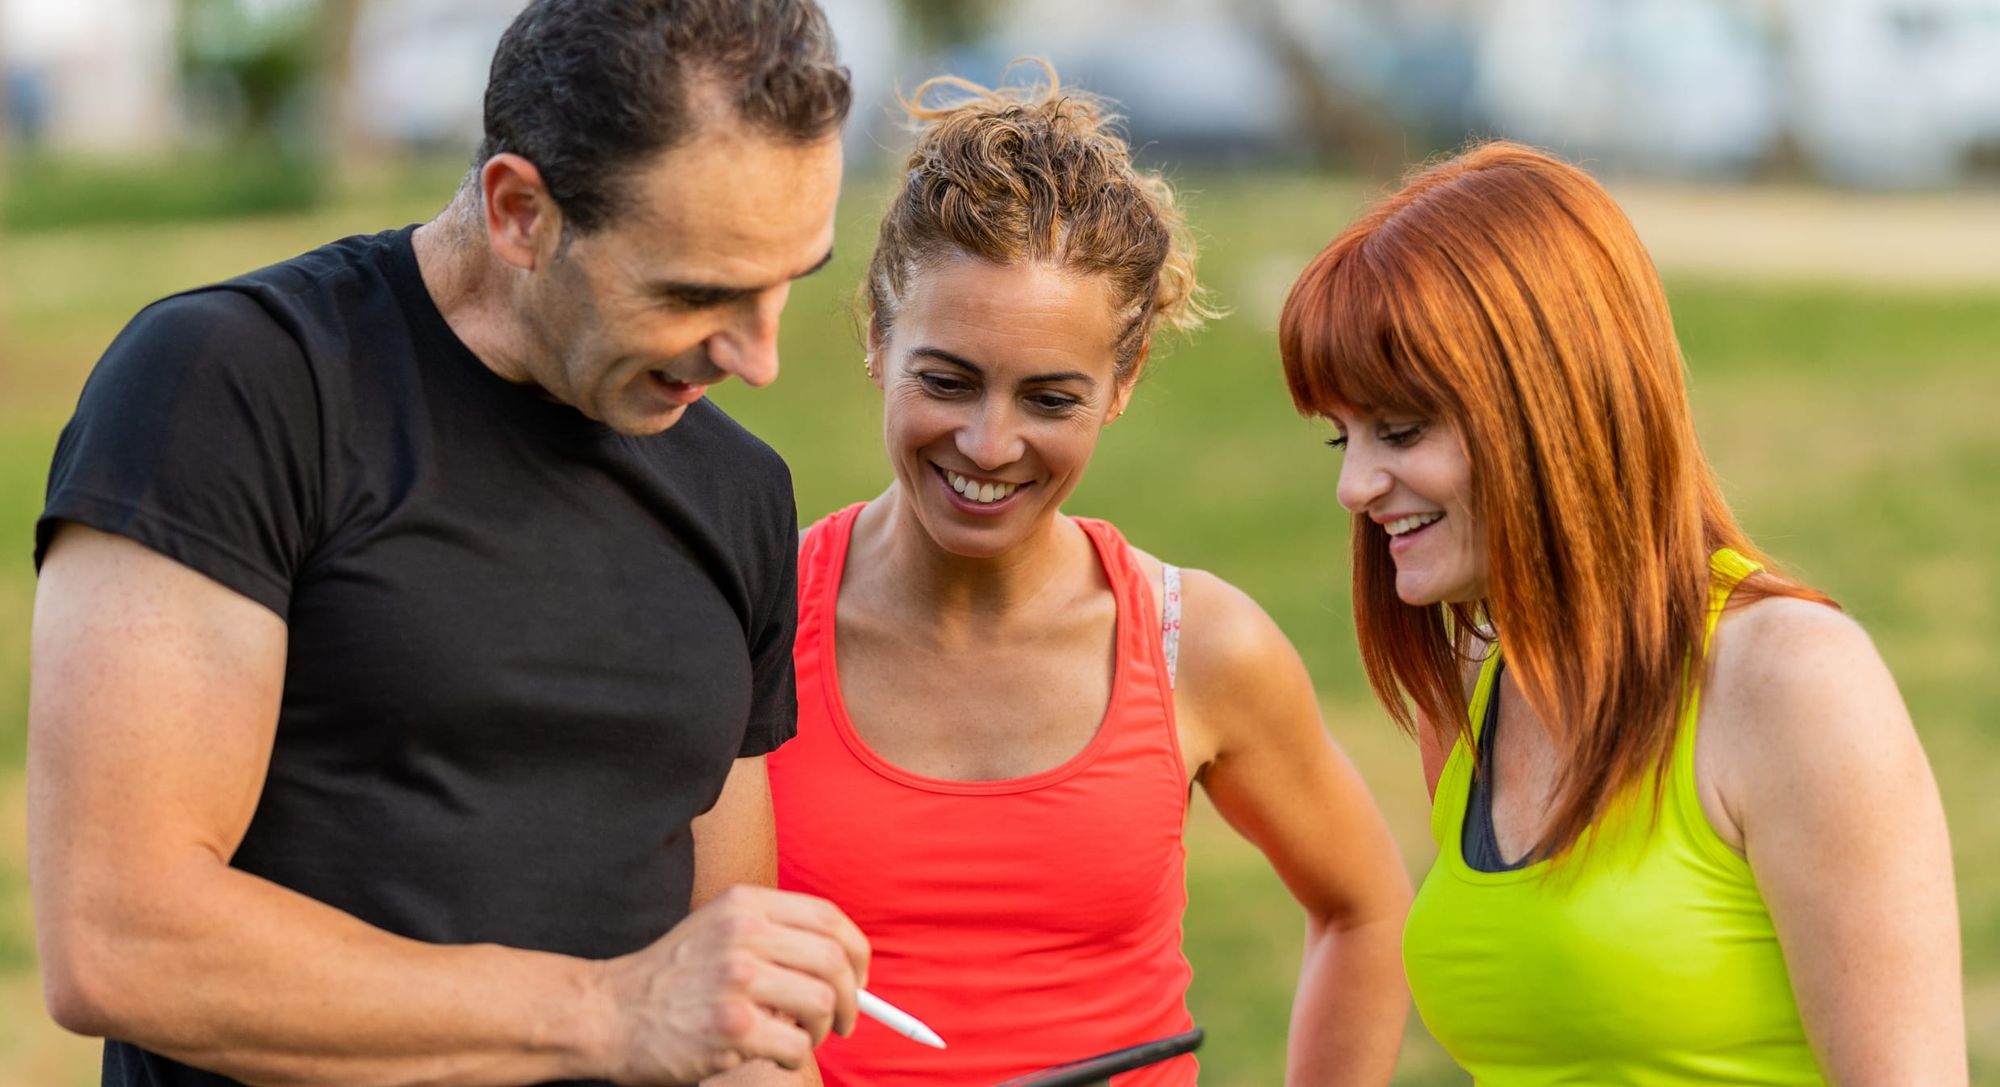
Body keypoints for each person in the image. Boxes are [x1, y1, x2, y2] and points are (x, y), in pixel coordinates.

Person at [28, 2, 872, 1084]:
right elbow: (121, 941)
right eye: (695, 292)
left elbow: (726, 1002)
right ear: (520, 212)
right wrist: (603, 1010)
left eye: (782, 285)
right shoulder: (234, 386)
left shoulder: (736, 488)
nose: (755, 358)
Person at [767, 68, 1413, 1087]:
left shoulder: (1196, 643)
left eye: (1048, 398)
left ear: (1125, 381)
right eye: (945, 380)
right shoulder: (749, 620)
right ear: (875, 339)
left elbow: (1365, 907)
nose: (988, 442)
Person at [1278, 140, 1965, 1084]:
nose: (1357, 485)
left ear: (1549, 405)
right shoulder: (1482, 682)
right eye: (1340, 437)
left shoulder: (1791, 679)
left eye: (1400, 430)